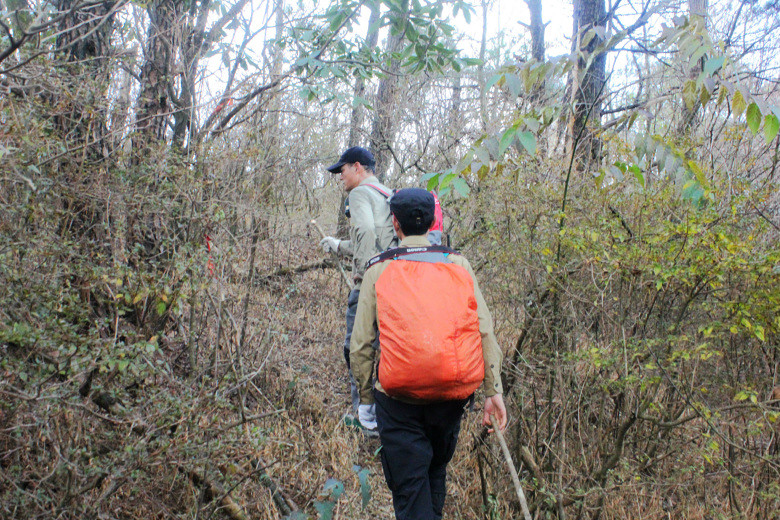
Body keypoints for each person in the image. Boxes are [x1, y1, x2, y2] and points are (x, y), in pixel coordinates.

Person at [350, 188, 508, 520]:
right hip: (451, 398)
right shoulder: (458, 263)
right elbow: (483, 329)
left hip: (397, 401)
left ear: (395, 223)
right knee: (435, 470)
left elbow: (361, 343)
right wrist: (493, 391)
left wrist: (365, 399)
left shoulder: (378, 268)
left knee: (410, 488)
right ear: (434, 221)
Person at [320, 146, 395, 427]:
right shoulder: (386, 194)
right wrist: (339, 246)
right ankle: (386, 416)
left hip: (370, 287)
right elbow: (377, 241)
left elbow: (365, 232)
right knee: (385, 351)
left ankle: (365, 418)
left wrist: (363, 278)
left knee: (356, 349)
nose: (340, 176)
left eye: (342, 170)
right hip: (393, 286)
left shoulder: (360, 193)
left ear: (357, 167)